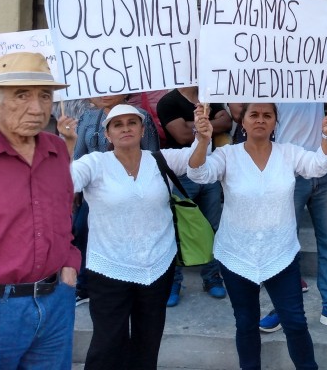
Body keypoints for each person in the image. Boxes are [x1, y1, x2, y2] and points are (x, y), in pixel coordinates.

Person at [188, 102, 327, 370]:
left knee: (294, 321)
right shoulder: (227, 155)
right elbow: (199, 173)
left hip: (281, 253)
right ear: (242, 122)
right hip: (236, 254)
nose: (260, 120)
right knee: (246, 323)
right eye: (254, 115)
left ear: (275, 123)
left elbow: (318, 166)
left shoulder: (288, 153)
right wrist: (202, 140)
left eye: (267, 115)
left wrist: (326, 136)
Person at [66, 103, 197, 370]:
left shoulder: (160, 159)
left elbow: (195, 161)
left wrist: (204, 137)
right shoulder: (95, 163)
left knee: (147, 343)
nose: (125, 128)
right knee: (107, 345)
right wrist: (69, 145)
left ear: (142, 129)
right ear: (108, 134)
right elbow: (66, 182)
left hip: (158, 266)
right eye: (118, 124)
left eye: (132, 122)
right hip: (109, 268)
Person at [0, 52, 80, 369]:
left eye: (45, 95)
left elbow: (64, 214)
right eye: (22, 95)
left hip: (56, 303)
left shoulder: (56, 150)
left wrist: (69, 263)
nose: (37, 108)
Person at [258, 102, 327, 333]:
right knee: (283, 243)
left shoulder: (319, 75)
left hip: (323, 168)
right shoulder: (273, 80)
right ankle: (283, 308)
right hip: (288, 171)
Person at [71, 94, 160, 306]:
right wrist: (75, 189)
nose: (105, 93)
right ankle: (85, 285)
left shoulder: (141, 116)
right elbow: (79, 154)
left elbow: (152, 155)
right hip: (94, 194)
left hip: (135, 189)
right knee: (82, 231)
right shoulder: (87, 117)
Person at [157, 86, 232, 305]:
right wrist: (203, 128)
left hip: (208, 172)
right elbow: (179, 135)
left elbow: (226, 121)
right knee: (177, 229)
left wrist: (198, 126)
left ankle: (212, 277)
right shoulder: (168, 101)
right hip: (181, 175)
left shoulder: (209, 97)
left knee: (213, 226)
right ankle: (173, 281)